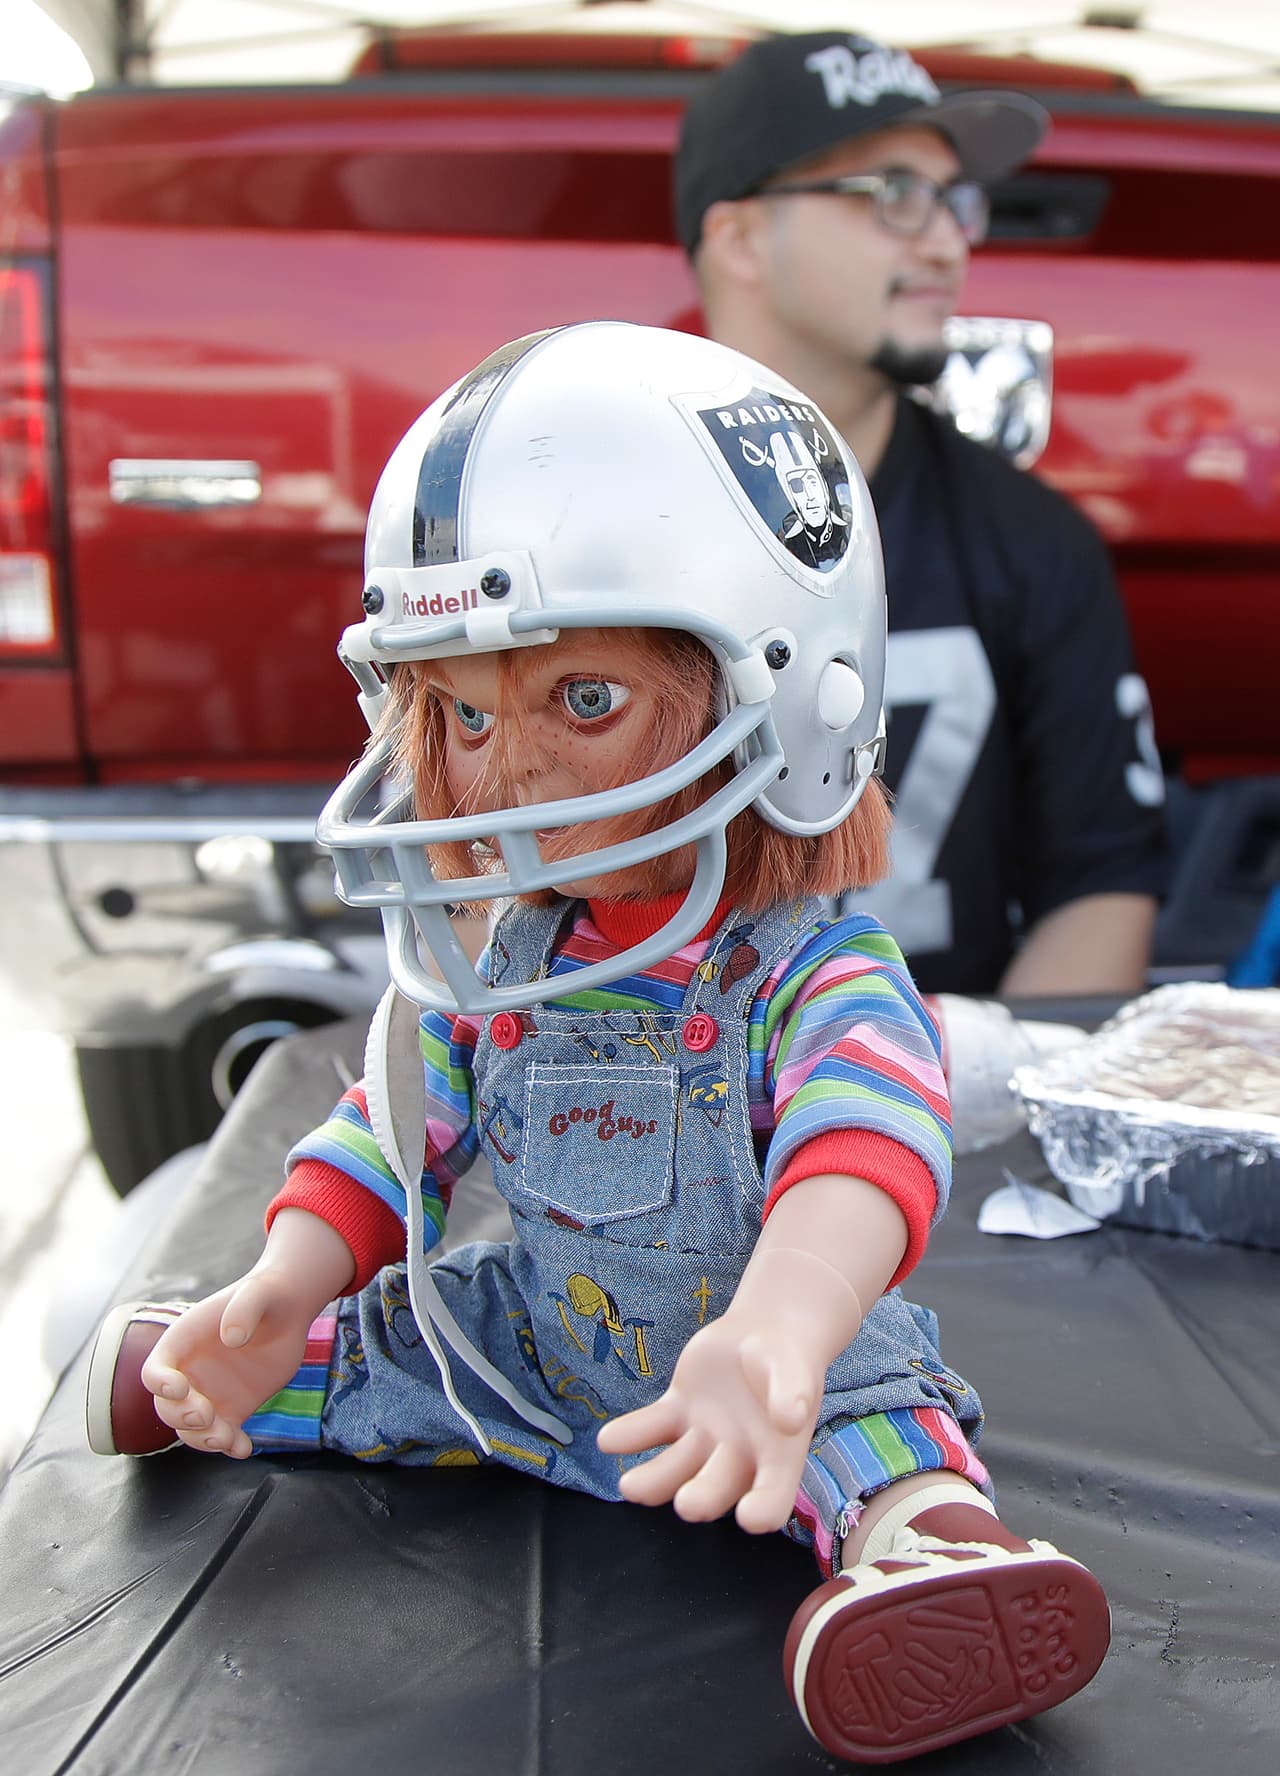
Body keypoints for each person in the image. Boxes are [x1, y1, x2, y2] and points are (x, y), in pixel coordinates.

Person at [84, 323, 1109, 1765]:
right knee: (410, 1348)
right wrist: (281, 1280)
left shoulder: (809, 970)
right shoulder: (507, 958)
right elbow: (394, 1125)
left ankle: (935, 1560)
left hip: (762, 1363)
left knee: (876, 1425)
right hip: (543, 1341)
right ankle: (224, 1366)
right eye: (459, 710)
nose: (503, 772)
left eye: (583, 700)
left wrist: (782, 1326)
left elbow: (865, 1140)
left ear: (788, 695)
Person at [675, 29, 1168, 999]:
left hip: (937, 1121)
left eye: (951, 203)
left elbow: (1101, 887)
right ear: (738, 238)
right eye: (893, 195)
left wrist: (942, 1111)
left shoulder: (1031, 540)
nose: (948, 242)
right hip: (630, 1113)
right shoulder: (583, 526)